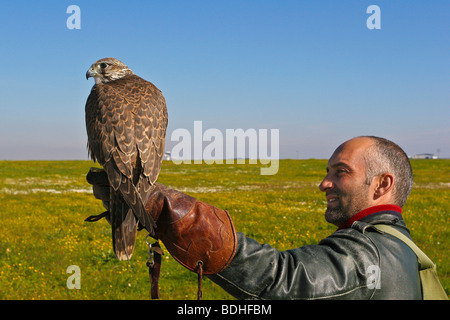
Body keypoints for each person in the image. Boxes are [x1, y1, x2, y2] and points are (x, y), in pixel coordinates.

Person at [87, 136, 426, 299]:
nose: (324, 183)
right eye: (327, 171)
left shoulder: (370, 254)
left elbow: (285, 281)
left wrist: (167, 211)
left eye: (341, 172)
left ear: (383, 184)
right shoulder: (399, 245)